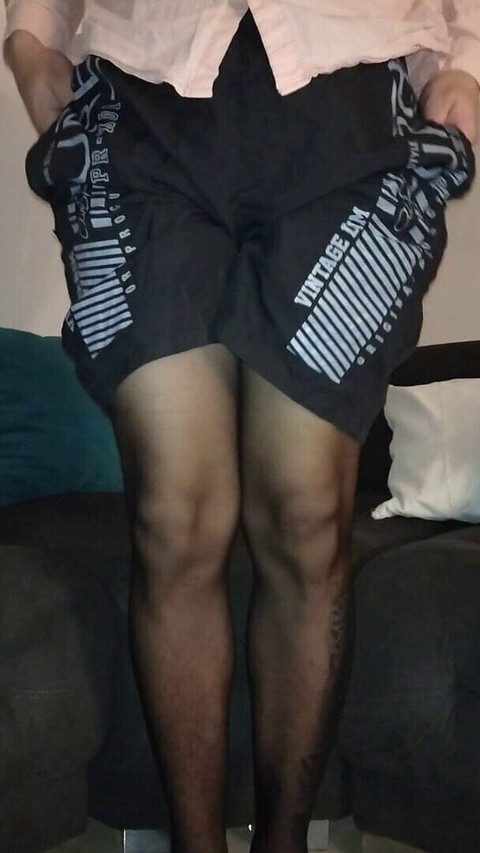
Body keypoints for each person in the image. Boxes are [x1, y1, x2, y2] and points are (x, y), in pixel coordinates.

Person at [3, 3, 479, 852]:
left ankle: (282, 842)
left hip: (349, 111)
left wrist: (463, 64)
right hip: (144, 104)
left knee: (305, 518)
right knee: (175, 517)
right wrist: (29, 45)